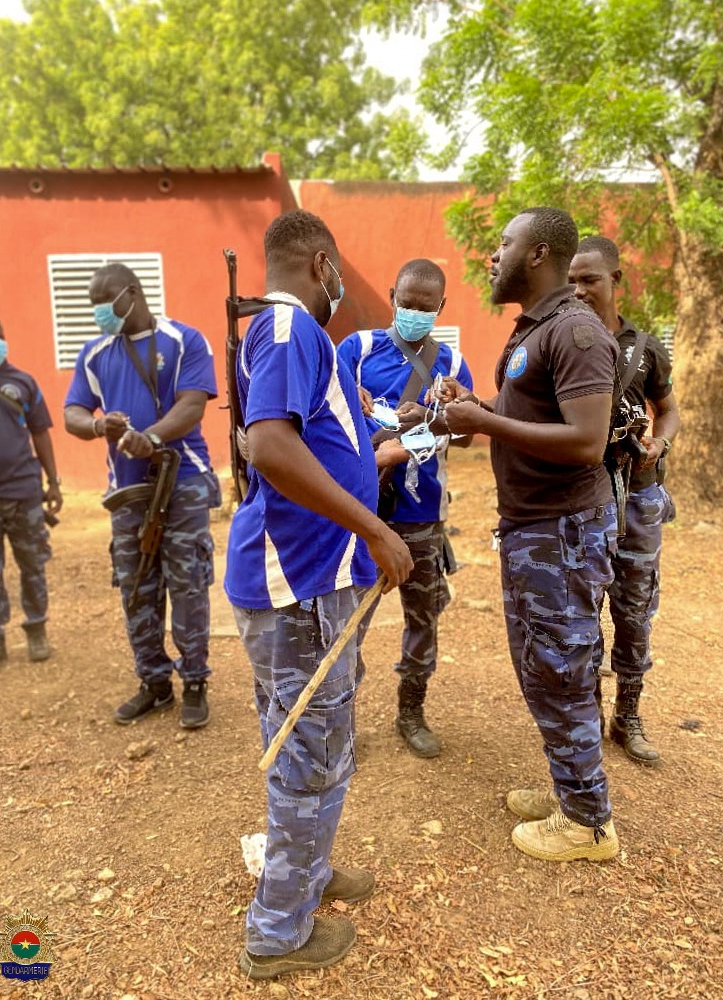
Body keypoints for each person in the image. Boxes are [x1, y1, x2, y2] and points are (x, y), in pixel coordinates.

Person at [224, 210, 413, 979]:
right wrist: (375, 527)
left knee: (314, 741)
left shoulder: (288, 334)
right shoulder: (291, 327)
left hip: (310, 579)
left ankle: (305, 868)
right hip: (298, 583)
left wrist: (380, 455)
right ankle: (278, 934)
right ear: (323, 265)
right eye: (340, 276)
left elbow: (313, 445)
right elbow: (271, 445)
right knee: (312, 752)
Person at [437, 207, 620, 862]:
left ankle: (588, 826)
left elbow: (586, 441)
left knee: (561, 669)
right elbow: (532, 416)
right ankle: (572, 791)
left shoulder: (574, 333)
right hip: (536, 530)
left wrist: (484, 425)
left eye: (504, 244)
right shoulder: (536, 332)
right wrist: (477, 407)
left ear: (538, 254)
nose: (493, 255)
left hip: (562, 532)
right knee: (547, 669)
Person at [64, 264, 221, 729]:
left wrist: (151, 438)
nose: (99, 311)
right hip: (127, 490)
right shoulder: (94, 354)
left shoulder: (184, 340)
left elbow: (192, 404)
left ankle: (194, 682)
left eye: (105, 300)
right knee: (135, 587)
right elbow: (73, 410)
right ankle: (154, 684)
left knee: (188, 584)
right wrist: (97, 426)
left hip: (183, 481)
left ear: (132, 293)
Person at [337, 259, 473, 758]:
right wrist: (361, 408)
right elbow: (329, 415)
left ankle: (411, 712)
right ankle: (340, 721)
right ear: (392, 294)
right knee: (350, 621)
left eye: (425, 306)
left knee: (423, 618)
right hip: (362, 509)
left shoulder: (452, 364)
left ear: (441, 306)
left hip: (422, 513)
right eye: (407, 302)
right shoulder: (357, 349)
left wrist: (413, 433)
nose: (414, 312)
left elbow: (464, 430)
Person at [570, 235, 680, 764]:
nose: (579, 289)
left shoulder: (645, 347)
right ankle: (586, 720)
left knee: (635, 611)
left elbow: (670, 409)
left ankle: (628, 716)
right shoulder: (568, 338)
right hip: (585, 498)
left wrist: (660, 441)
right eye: (572, 280)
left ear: (615, 280)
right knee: (583, 612)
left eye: (589, 279)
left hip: (638, 497)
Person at [0, 311, 62, 672]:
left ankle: (36, 630)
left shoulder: (24, 382)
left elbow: (41, 433)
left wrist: (53, 482)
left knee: (32, 565)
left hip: (25, 492)